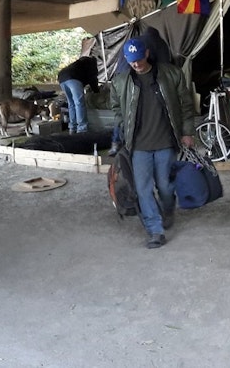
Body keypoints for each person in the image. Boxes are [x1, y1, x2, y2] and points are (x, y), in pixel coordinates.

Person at [109, 37, 195, 249]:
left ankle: (167, 208)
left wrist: (187, 132)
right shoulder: (121, 81)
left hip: (166, 141)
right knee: (143, 189)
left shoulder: (170, 74)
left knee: (165, 186)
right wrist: (121, 126)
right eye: (131, 60)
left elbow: (185, 104)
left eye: (138, 59)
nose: (136, 64)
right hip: (138, 146)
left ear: (146, 53)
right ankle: (155, 230)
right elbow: (115, 107)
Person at [108, 26, 174, 156]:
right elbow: (164, 66)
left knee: (122, 112)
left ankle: (116, 144)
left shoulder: (134, 41)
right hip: (138, 77)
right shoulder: (159, 43)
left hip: (121, 77)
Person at [57, 55, 100, 134]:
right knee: (79, 103)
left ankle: (72, 128)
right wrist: (96, 91)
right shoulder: (91, 64)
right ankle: (82, 129)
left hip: (62, 78)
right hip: (73, 78)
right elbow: (93, 78)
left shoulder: (78, 64)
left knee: (71, 104)